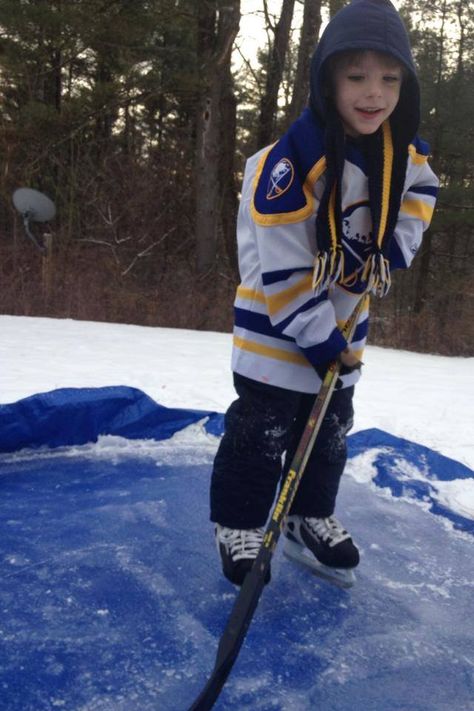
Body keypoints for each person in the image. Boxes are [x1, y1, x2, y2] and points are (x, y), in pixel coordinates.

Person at [210, 0, 439, 586]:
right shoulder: (287, 165)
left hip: (344, 325)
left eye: (390, 79)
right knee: (261, 432)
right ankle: (238, 522)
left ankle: (307, 516)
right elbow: (280, 269)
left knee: (331, 428)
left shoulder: (402, 154)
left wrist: (392, 250)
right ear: (327, 78)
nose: (374, 94)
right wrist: (317, 341)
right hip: (277, 328)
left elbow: (420, 198)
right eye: (357, 77)